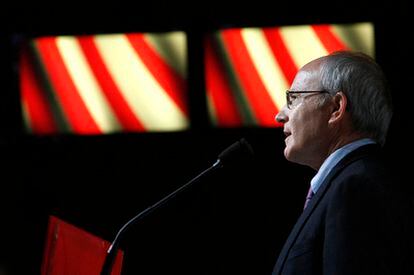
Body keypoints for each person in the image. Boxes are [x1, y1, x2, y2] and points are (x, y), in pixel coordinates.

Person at [272, 51, 413, 275]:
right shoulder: (354, 181)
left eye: (293, 99)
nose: (279, 116)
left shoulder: (356, 188)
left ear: (336, 108)